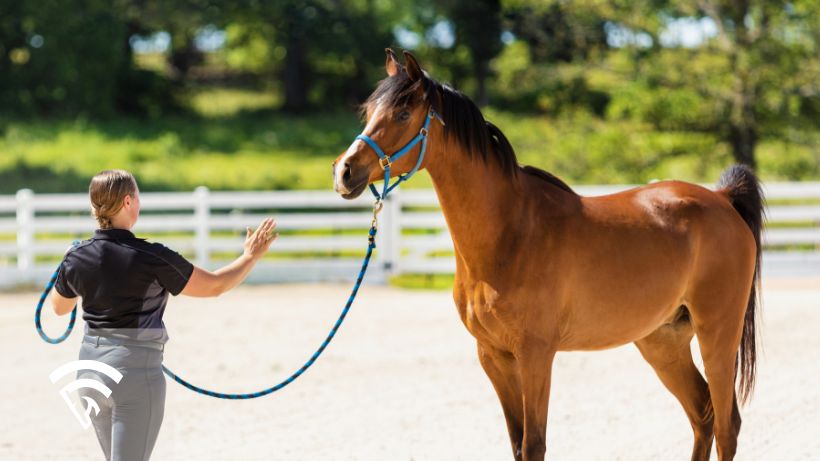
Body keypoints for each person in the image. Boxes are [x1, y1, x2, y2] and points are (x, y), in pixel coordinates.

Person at [49, 169, 277, 461]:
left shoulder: (76, 256)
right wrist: (250, 256)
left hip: (90, 372)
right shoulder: (151, 256)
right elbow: (216, 285)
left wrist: (69, 265)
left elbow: (59, 307)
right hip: (133, 372)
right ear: (129, 202)